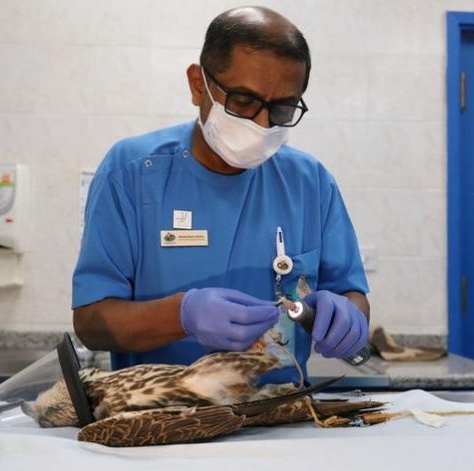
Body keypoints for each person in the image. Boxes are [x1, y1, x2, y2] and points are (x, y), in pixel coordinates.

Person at [72, 6, 369, 384]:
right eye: (243, 101)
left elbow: (351, 293)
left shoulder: (310, 182)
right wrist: (182, 315)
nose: (261, 125)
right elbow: (90, 322)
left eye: (281, 109)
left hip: (280, 419)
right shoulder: (132, 173)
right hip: (162, 426)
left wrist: (347, 315)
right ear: (199, 85)